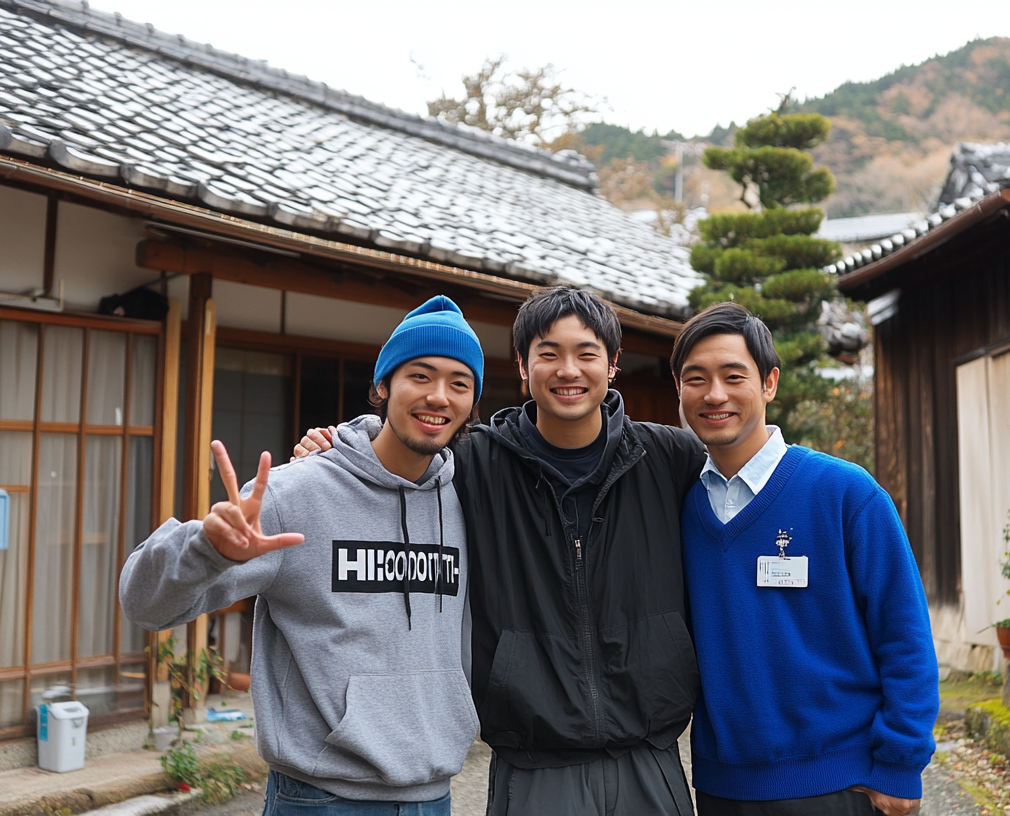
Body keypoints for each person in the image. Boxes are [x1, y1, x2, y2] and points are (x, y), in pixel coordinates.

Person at [296, 285, 707, 816]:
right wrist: (342, 444)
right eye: (549, 354)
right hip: (534, 761)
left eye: (586, 354)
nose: (568, 370)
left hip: (651, 757)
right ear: (522, 366)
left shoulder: (668, 456)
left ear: (612, 367)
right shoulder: (475, 463)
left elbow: (747, 483)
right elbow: (406, 440)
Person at [120, 295, 486, 816]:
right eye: (420, 376)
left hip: (435, 796)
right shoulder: (297, 494)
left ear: (473, 402)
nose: (438, 397)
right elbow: (143, 604)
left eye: (459, 383)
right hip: (319, 799)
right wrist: (206, 548)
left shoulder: (469, 497)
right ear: (383, 386)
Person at [670, 302, 939, 816]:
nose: (715, 394)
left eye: (733, 376)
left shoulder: (844, 493)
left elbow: (904, 632)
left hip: (840, 784)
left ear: (769, 383)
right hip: (725, 787)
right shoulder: (680, 506)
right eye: (695, 379)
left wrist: (901, 763)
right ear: (679, 391)